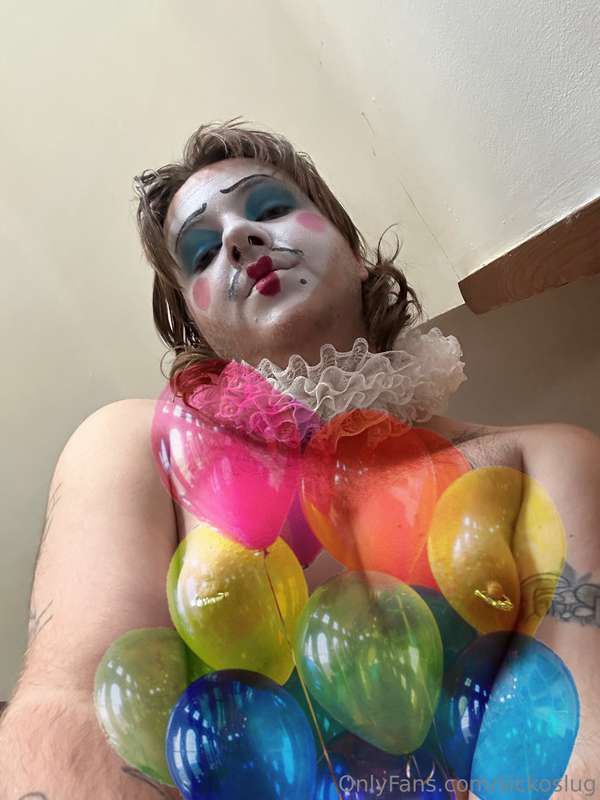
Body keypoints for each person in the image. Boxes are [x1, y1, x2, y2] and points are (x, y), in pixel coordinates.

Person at [0, 120, 598, 799]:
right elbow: (75, 707)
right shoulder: (135, 446)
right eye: (202, 252)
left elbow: (586, 737)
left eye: (270, 207)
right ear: (199, 328)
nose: (238, 237)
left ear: (355, 252)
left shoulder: (545, 459)